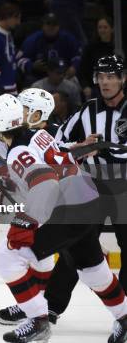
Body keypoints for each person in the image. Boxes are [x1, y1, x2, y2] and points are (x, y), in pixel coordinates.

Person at [0, 94, 127, 343]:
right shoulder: (39, 135)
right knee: (92, 268)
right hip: (89, 200)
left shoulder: (17, 151)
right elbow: (63, 155)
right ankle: (125, 317)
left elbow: (44, 183)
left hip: (68, 210)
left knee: (7, 257)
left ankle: (39, 321)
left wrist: (26, 220)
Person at [34, 55, 127, 332]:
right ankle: (50, 307)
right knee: (74, 246)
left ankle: (122, 313)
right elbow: (59, 141)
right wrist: (80, 145)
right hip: (92, 187)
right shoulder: (87, 110)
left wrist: (105, 148)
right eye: (102, 76)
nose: (106, 82)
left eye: (112, 76)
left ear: (122, 79)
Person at [16, 13, 82, 83]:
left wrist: (74, 67)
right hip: (38, 77)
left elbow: (78, 56)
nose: (51, 27)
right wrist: (32, 65)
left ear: (59, 26)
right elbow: (19, 60)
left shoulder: (69, 39)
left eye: (54, 24)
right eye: (48, 24)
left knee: (75, 81)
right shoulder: (32, 40)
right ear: (43, 26)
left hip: (63, 75)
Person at [78, 16, 120, 99]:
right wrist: (85, 86)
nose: (102, 30)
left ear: (112, 29)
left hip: (117, 86)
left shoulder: (118, 47)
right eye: (100, 27)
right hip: (96, 88)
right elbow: (82, 71)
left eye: (105, 27)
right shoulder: (90, 48)